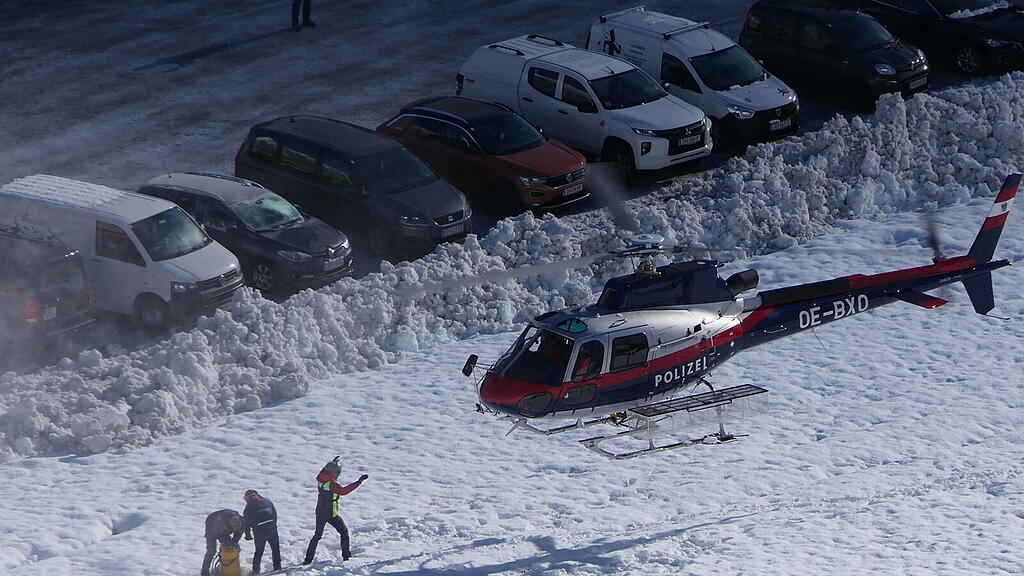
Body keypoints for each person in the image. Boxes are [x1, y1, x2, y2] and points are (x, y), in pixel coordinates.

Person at [302, 457, 368, 564]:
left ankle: (308, 560)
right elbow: (343, 491)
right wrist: (358, 482)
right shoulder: (332, 484)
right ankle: (346, 557)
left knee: (317, 536)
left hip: (320, 512)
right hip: (331, 513)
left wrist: (332, 463)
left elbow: (325, 470)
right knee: (344, 532)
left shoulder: (321, 478)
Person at [243, 490, 281, 574]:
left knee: (259, 551)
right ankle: (277, 568)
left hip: (260, 532)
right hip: (272, 529)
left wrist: (248, 535)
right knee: (275, 549)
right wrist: (273, 526)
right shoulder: (267, 501)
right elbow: (274, 514)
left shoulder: (249, 506)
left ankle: (256, 571)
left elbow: (246, 522)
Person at [201, 509, 244, 576]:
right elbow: (215, 532)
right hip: (211, 525)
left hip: (223, 529)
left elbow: (238, 533)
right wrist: (212, 536)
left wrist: (234, 543)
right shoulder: (223, 517)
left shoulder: (242, 521)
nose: (234, 529)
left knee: (229, 546)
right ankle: (204, 572)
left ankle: (224, 567)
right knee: (211, 550)